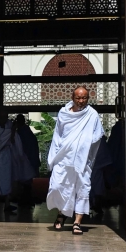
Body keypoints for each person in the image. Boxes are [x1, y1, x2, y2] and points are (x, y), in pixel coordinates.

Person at [47, 86, 104, 235]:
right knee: (58, 186)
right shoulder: (63, 113)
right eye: (78, 98)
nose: (81, 101)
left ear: (88, 98)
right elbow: (57, 135)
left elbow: (98, 135)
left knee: (82, 189)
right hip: (63, 158)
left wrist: (84, 142)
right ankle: (61, 214)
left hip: (82, 160)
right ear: (72, 98)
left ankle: (77, 222)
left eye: (84, 98)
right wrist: (54, 155)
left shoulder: (92, 114)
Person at [0, 108, 34, 212]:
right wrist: (1, 142)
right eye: (1, 117)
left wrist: (11, 132)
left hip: (5, 157)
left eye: (5, 117)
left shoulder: (9, 125)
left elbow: (13, 140)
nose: (4, 120)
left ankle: (7, 204)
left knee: (6, 180)